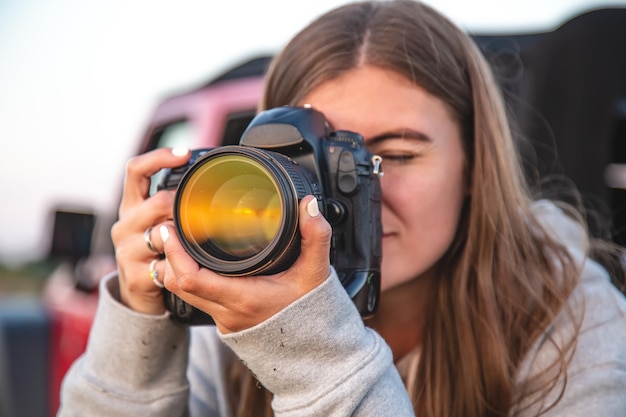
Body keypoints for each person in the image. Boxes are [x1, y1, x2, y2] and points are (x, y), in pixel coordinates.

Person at [57, 1, 626, 416]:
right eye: (316, 161)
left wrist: (306, 346)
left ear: (477, 167)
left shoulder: (571, 315)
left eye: (395, 154)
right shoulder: (226, 297)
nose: (347, 198)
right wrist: (139, 328)